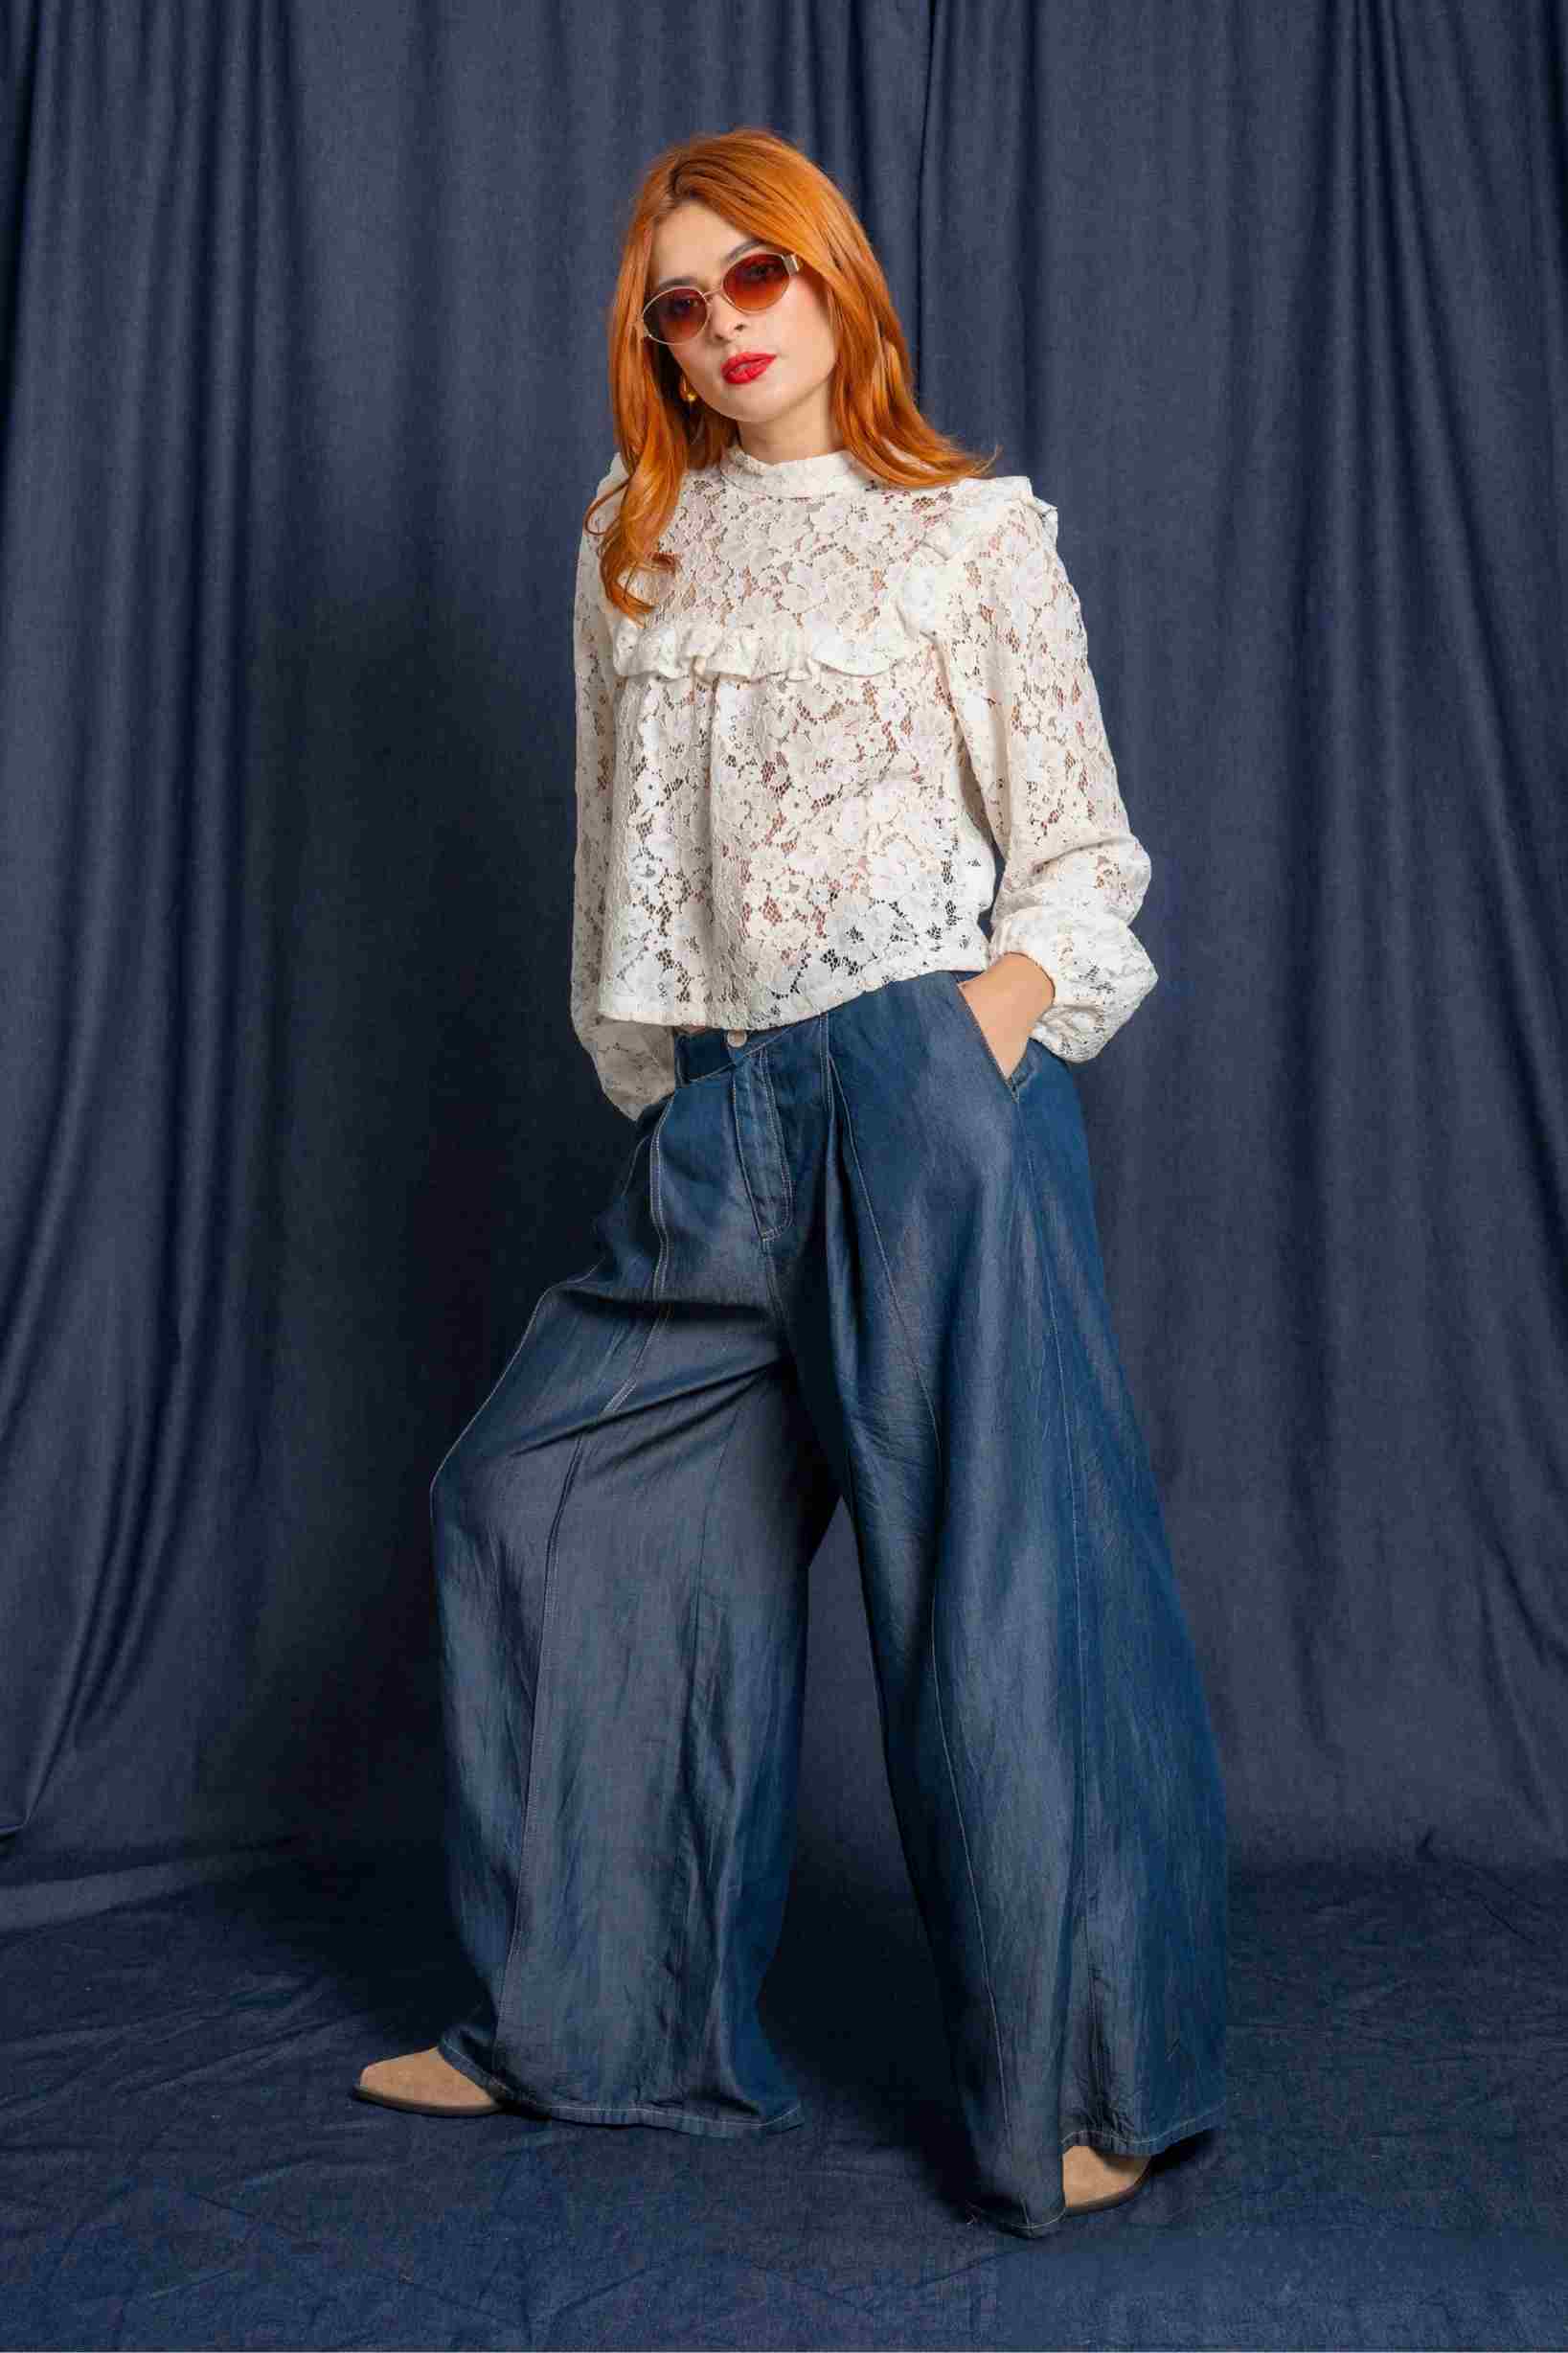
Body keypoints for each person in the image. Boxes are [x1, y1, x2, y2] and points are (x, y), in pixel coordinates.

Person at [353, 126, 1228, 2241]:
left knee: (1000, 1588)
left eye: (757, 277)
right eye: (682, 303)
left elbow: (1085, 851)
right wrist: (659, 1086)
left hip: (924, 1080)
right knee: (547, 1497)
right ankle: (589, 2023)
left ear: (834, 280)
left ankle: (1092, 2084)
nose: (724, 326)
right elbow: (615, 842)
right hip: (723, 1113)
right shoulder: (633, 539)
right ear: (653, 345)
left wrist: (983, 1029)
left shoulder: (968, 535)